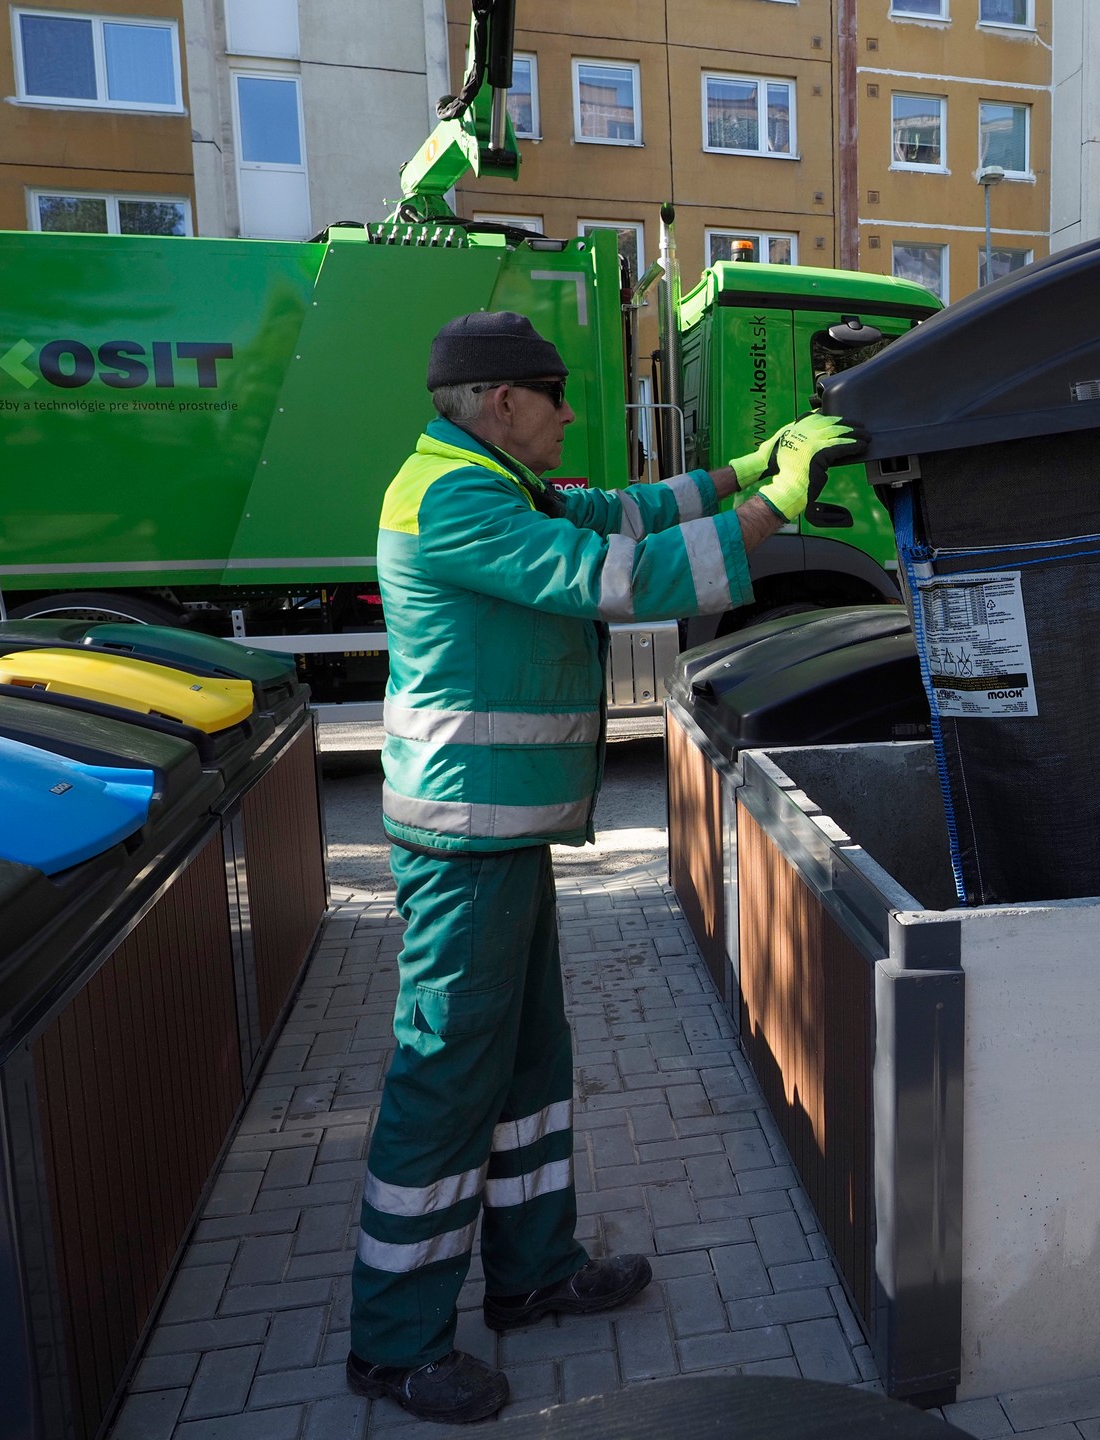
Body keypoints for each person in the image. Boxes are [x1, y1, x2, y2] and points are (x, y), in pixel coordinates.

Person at [346, 311, 863, 1423]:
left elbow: (621, 510)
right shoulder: (453, 498)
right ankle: (394, 1343)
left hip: (500, 835)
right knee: (444, 1078)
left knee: (529, 1064)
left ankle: (532, 1276)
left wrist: (742, 466)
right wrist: (779, 505)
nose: (572, 414)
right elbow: (623, 577)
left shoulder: (491, 478)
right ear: (500, 404)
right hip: (463, 840)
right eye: (557, 395)